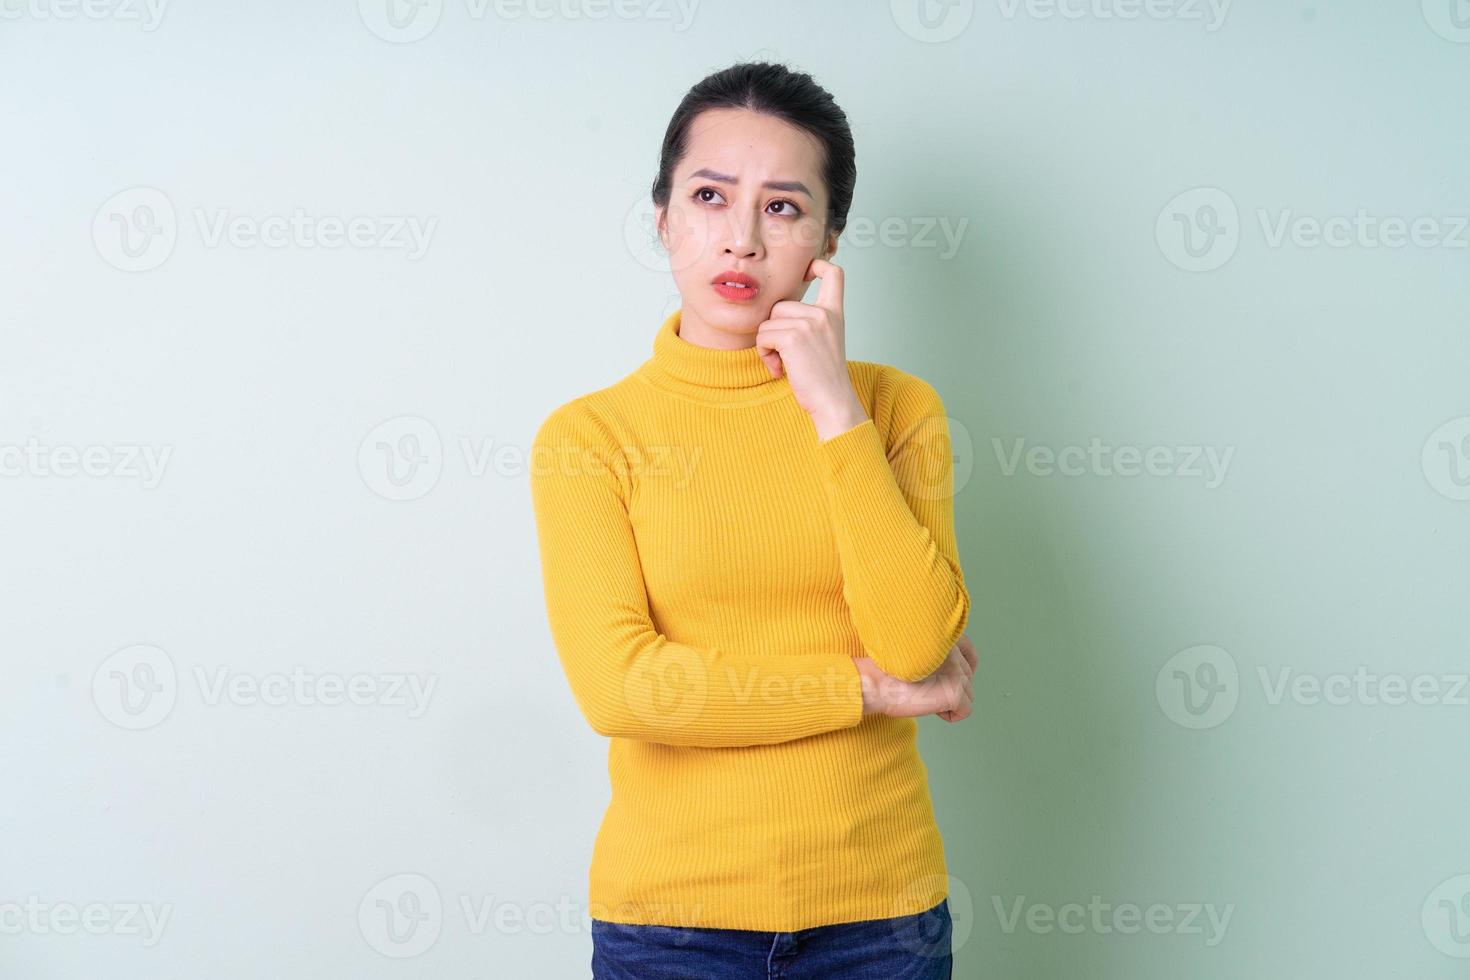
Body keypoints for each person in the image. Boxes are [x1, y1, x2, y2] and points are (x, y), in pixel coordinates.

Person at [529, 60, 976, 979]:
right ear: (663, 218)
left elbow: (917, 642)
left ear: (827, 238)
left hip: (880, 919)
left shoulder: (895, 410)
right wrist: (868, 694)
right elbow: (624, 690)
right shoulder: (589, 437)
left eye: (781, 207)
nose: (739, 239)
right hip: (671, 926)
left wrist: (835, 412)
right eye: (708, 196)